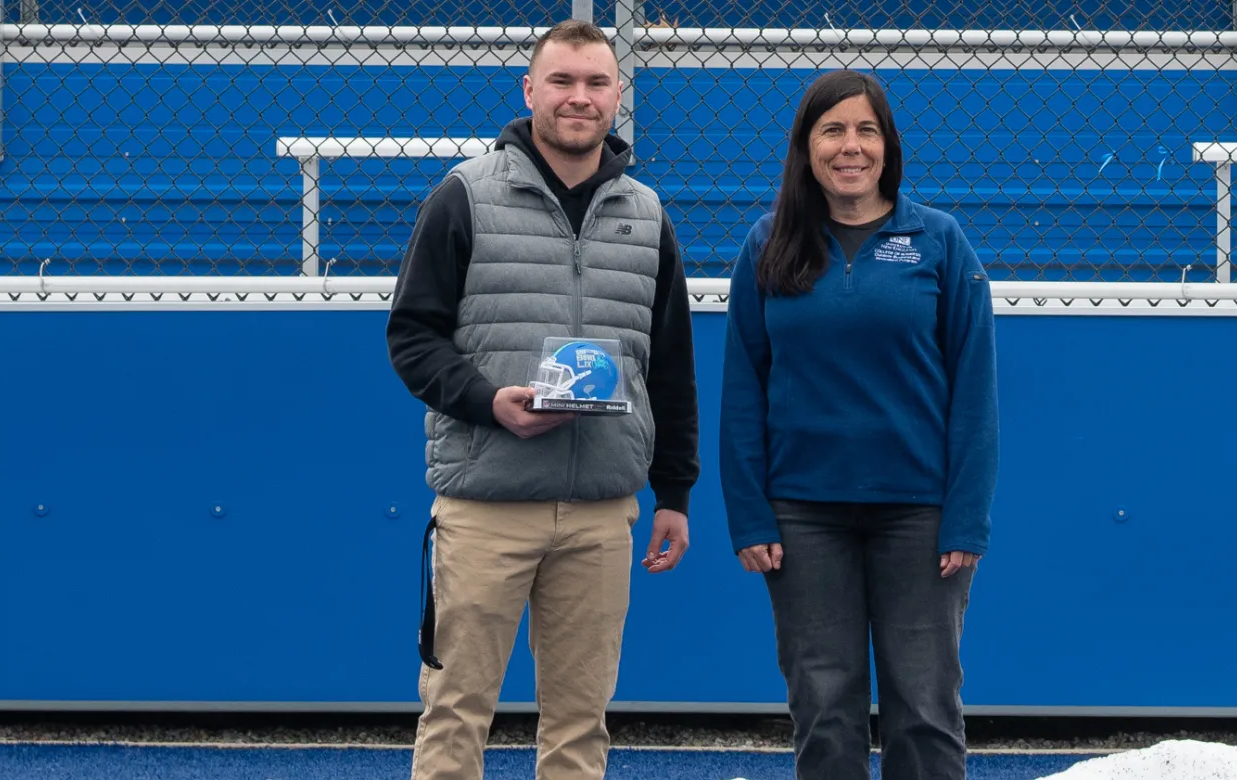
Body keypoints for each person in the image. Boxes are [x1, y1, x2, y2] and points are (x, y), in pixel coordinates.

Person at [385, 19, 699, 780]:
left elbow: (670, 367)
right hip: (487, 504)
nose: (578, 98)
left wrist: (674, 492)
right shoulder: (463, 196)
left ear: (618, 96)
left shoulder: (648, 216)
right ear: (529, 91)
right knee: (457, 710)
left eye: (596, 82)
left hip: (600, 509)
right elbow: (412, 338)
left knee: (579, 723)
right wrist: (492, 403)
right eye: (561, 81)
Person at [717, 69, 999, 779]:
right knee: (824, 709)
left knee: (926, 711)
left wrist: (965, 518)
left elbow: (974, 391)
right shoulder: (766, 245)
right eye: (832, 130)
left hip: (920, 517)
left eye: (866, 130)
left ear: (888, 145)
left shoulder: (939, 241)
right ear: (806, 148)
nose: (851, 146)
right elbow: (743, 389)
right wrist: (749, 515)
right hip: (803, 517)